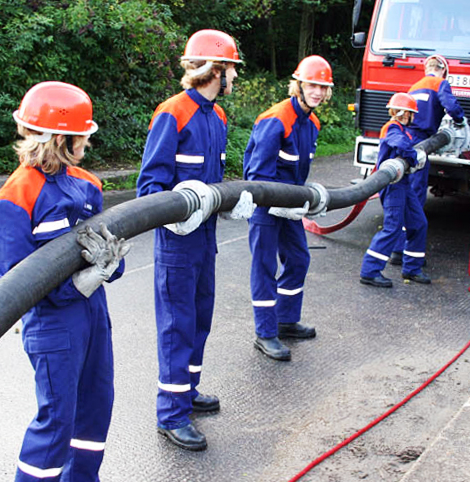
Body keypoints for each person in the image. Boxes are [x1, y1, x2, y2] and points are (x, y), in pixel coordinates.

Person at [0, 81, 130, 481]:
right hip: (53, 325)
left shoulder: (87, 184)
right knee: (57, 422)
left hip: (94, 316)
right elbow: (18, 283)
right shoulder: (13, 199)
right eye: (82, 135)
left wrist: (109, 266)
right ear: (61, 139)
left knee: (96, 409)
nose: (88, 141)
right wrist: (78, 285)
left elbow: (108, 247)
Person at [136, 29, 248, 452]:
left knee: (200, 317)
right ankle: (171, 413)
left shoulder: (217, 117)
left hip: (206, 239)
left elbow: (213, 182)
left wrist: (228, 202)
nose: (234, 76)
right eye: (231, 69)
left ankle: (188, 390)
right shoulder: (173, 112)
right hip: (178, 244)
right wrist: (179, 211)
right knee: (177, 324)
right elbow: (150, 187)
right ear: (215, 69)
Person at [243, 55, 333, 361]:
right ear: (299, 85)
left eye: (323, 87)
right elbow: (257, 176)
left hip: (292, 206)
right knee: (264, 266)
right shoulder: (277, 119)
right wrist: (277, 203)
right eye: (312, 85)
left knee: (298, 258)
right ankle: (265, 333)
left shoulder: (313, 123)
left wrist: (301, 201)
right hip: (265, 207)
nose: (317, 92)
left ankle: (285, 320)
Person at [390, 54, 465, 266]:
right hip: (422, 142)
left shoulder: (415, 86)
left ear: (426, 69)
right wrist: (460, 119)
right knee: (415, 198)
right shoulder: (440, 83)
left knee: (404, 194)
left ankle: (397, 250)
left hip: (406, 138)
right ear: (443, 71)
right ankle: (409, 254)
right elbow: (451, 106)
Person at [360, 92, 430, 288]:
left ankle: (412, 268)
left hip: (403, 183)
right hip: (392, 185)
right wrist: (414, 158)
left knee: (419, 223)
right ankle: (370, 272)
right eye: (411, 113)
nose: (412, 117)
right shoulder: (392, 128)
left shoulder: (400, 129)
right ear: (405, 114)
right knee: (393, 227)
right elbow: (399, 143)